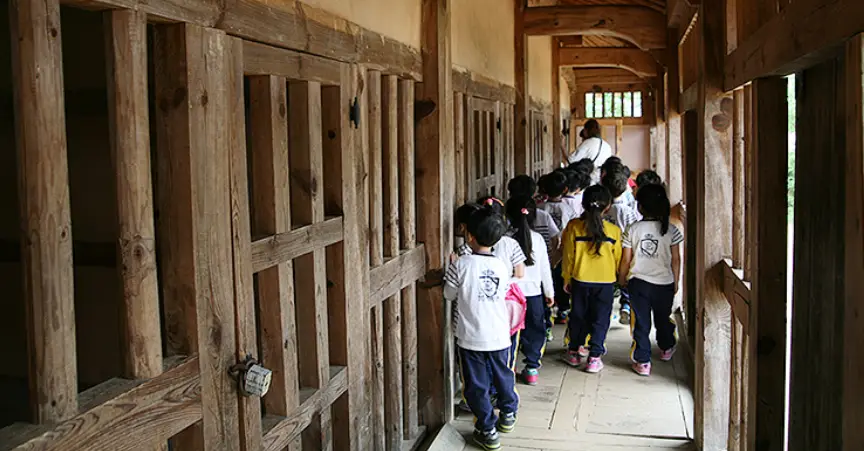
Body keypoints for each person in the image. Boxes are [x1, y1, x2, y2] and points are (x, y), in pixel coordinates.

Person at [444, 208, 519, 449]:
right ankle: (508, 414)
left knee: (476, 385)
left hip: (471, 337)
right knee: (503, 376)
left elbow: (449, 294)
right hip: (499, 335)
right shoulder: (501, 265)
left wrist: (451, 268)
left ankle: (487, 430)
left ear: (470, 236)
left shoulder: (462, 264)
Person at [617, 184, 683, 376]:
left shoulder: (633, 229)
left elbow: (626, 260)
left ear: (640, 207)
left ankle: (643, 361)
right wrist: (676, 281)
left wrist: (622, 278)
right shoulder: (671, 230)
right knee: (663, 318)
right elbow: (676, 260)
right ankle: (666, 348)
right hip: (665, 283)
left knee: (641, 323)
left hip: (639, 284)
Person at [560, 185, 622, 374]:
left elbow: (568, 255)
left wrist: (566, 277)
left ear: (584, 204)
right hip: (605, 282)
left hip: (580, 280)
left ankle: (574, 351)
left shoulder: (573, 226)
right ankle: (594, 356)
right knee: (600, 318)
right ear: (607, 207)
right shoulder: (613, 231)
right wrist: (620, 278)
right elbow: (618, 258)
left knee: (578, 315)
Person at [505, 196, 555, 386]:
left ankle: (508, 368)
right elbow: (545, 269)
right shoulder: (538, 239)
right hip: (533, 294)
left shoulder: (504, 239)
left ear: (508, 217)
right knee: (535, 331)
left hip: (510, 294)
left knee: (509, 333)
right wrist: (549, 292)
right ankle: (532, 368)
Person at [568, 119, 613, 184]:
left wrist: (562, 147)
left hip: (590, 180)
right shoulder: (607, 146)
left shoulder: (587, 143)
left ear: (586, 130)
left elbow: (570, 160)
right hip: (603, 179)